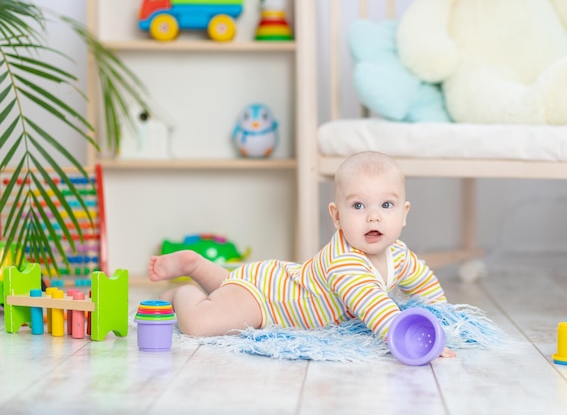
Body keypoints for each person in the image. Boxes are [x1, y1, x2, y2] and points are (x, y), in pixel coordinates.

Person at [149, 151, 455, 358]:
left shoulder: (399, 254)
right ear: (336, 217)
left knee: (231, 288)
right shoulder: (345, 263)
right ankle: (184, 291)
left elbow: (424, 284)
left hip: (274, 280)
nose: (373, 217)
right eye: (358, 206)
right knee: (202, 324)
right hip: (266, 300)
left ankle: (202, 267)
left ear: (404, 213)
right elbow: (376, 309)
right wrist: (411, 339)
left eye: (386, 206)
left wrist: (447, 319)